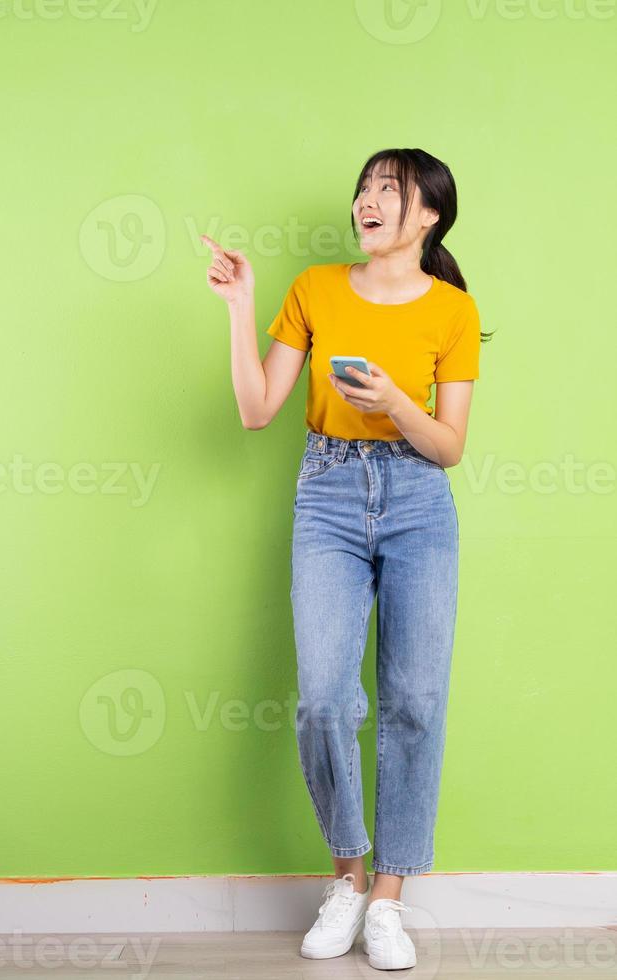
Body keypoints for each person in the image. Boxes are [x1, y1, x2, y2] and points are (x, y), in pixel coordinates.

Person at [202, 147, 493, 971]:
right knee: (326, 695)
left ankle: (390, 902)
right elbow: (259, 410)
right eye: (365, 187)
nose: (368, 200)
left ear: (428, 214)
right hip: (326, 493)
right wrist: (240, 304)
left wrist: (396, 402)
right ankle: (348, 878)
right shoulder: (315, 289)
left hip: (418, 502)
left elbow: (450, 446)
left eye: (388, 191)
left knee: (413, 698)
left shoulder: (453, 311)